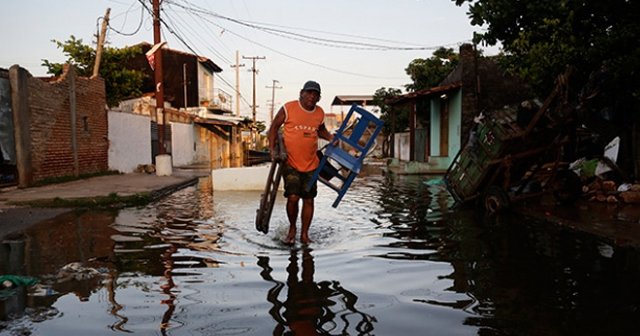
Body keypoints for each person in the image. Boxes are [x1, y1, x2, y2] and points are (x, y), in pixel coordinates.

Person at [267, 80, 333, 245]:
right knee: (293, 197)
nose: (312, 96)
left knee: (309, 199)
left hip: (312, 163)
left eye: (315, 94)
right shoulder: (288, 108)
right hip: (290, 162)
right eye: (309, 92)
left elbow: (321, 130)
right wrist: (272, 150)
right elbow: (274, 127)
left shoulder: (319, 113)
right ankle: (292, 228)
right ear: (302, 93)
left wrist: (332, 138)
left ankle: (304, 234)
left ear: (319, 97)